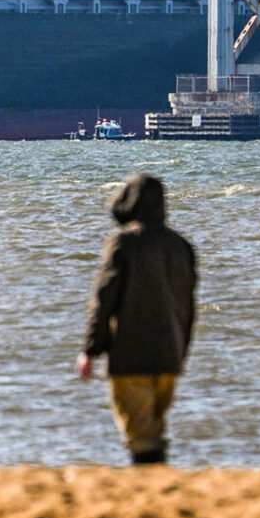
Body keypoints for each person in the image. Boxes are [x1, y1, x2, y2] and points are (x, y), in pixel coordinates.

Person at [77, 172, 197, 465]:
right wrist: (181, 350)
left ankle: (151, 490)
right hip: (170, 354)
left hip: (131, 355)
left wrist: (91, 349)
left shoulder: (123, 243)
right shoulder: (181, 246)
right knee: (155, 428)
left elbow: (104, 299)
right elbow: (189, 307)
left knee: (141, 437)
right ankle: (161, 486)